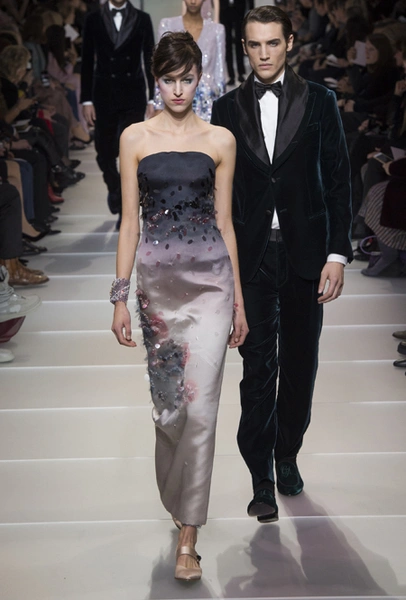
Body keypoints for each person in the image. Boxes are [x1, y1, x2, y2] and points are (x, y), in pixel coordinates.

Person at [110, 31, 248, 581]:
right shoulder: (134, 138)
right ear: (156, 79)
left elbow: (226, 223)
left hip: (212, 285)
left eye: (186, 79)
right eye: (168, 80)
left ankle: (189, 535)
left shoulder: (220, 140)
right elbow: (129, 224)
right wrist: (119, 299)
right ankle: (177, 495)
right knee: (170, 411)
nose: (177, 90)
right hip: (157, 292)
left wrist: (239, 302)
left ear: (199, 78)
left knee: (203, 409)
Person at [211, 5, 353, 523]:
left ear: (290, 42)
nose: (264, 53)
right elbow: (218, 194)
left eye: (273, 43)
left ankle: (287, 453)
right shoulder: (226, 109)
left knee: (299, 365)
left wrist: (337, 252)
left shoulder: (321, 101)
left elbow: (338, 179)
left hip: (306, 253)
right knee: (256, 369)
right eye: (255, 44)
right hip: (251, 256)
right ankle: (261, 480)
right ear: (244, 48)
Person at [80, 0, 155, 224]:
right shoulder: (93, 19)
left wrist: (153, 97)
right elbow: (87, 59)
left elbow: (149, 57)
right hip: (103, 95)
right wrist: (86, 99)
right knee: (104, 152)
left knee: (128, 154)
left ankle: (125, 207)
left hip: (133, 94)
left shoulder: (142, 19)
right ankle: (114, 188)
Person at [156, 0, 226, 122]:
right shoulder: (167, 24)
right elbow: (160, 68)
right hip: (175, 100)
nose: (193, 1)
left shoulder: (217, 30)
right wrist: (158, 103)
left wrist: (223, 108)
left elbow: (220, 72)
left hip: (207, 104)